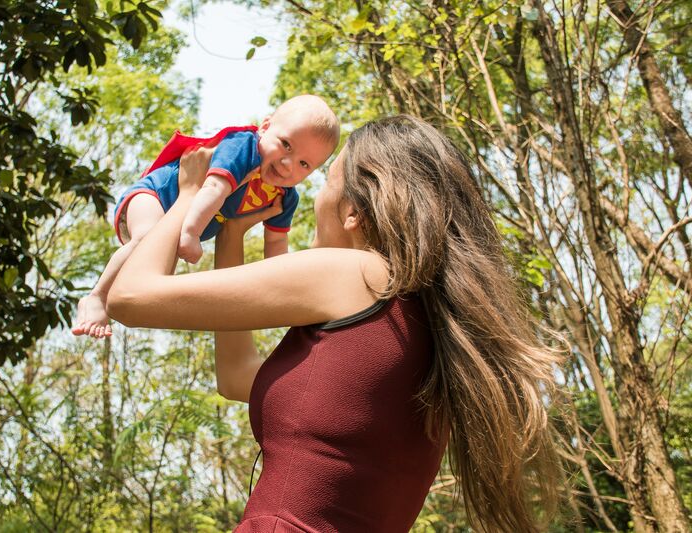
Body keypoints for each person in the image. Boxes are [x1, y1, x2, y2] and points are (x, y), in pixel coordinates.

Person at [106, 115, 563, 532]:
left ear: (353, 212)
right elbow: (237, 377)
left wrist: (189, 194)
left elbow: (130, 297)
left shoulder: (358, 274)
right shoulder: (424, 323)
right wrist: (233, 233)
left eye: (325, 180)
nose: (314, 197)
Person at [72, 95, 340, 338]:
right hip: (156, 195)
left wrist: (284, 289)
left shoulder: (284, 197)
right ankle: (97, 296)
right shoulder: (243, 148)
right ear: (266, 127)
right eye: (286, 145)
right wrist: (190, 232)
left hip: (179, 222)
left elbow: (276, 245)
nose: (287, 164)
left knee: (156, 275)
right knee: (146, 237)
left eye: (304, 164)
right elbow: (213, 188)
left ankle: (117, 299)